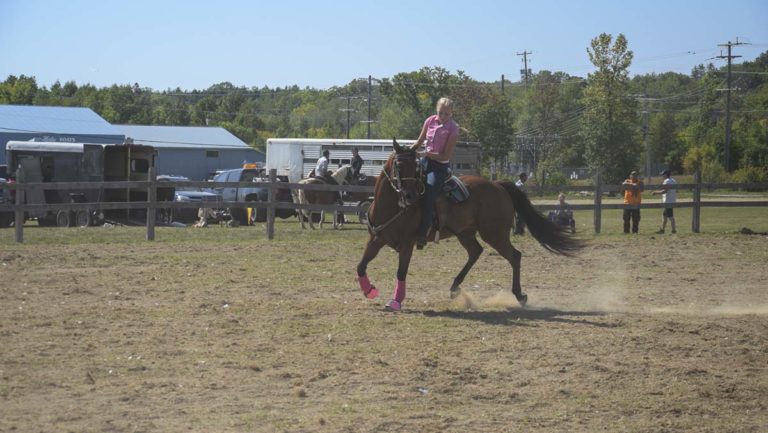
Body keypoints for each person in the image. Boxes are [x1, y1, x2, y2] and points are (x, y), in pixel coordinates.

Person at [414, 97, 460, 249]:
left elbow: (445, 156)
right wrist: (407, 151)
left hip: (439, 167)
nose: (443, 116)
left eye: (447, 114)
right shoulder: (429, 121)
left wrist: (427, 154)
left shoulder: (453, 129)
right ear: (436, 110)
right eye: (440, 113)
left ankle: (423, 232)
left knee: (429, 191)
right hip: (425, 162)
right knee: (408, 184)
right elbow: (419, 141)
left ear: (451, 113)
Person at [652, 169, 677, 234]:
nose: (662, 176)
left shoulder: (667, 181)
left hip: (668, 201)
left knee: (670, 216)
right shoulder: (673, 180)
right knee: (665, 216)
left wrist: (656, 193)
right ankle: (662, 229)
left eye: (663, 174)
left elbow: (665, 191)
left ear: (666, 175)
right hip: (672, 200)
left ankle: (674, 230)